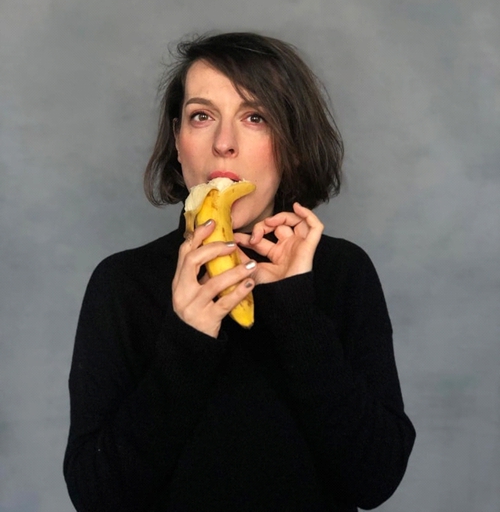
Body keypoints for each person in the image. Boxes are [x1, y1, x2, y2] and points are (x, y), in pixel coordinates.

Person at [63, 32, 415, 512]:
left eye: (255, 117)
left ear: (292, 144)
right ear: (178, 142)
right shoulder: (122, 283)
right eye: (201, 116)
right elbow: (97, 496)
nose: (223, 144)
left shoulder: (342, 273)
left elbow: (375, 480)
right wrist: (185, 341)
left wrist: (297, 313)